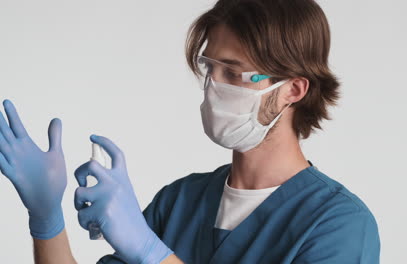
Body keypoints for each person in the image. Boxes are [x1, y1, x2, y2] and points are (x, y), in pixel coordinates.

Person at [0, 0, 380, 263]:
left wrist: (150, 252)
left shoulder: (339, 224)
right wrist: (46, 217)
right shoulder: (180, 201)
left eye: (233, 73)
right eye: (210, 69)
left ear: (293, 90)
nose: (214, 87)